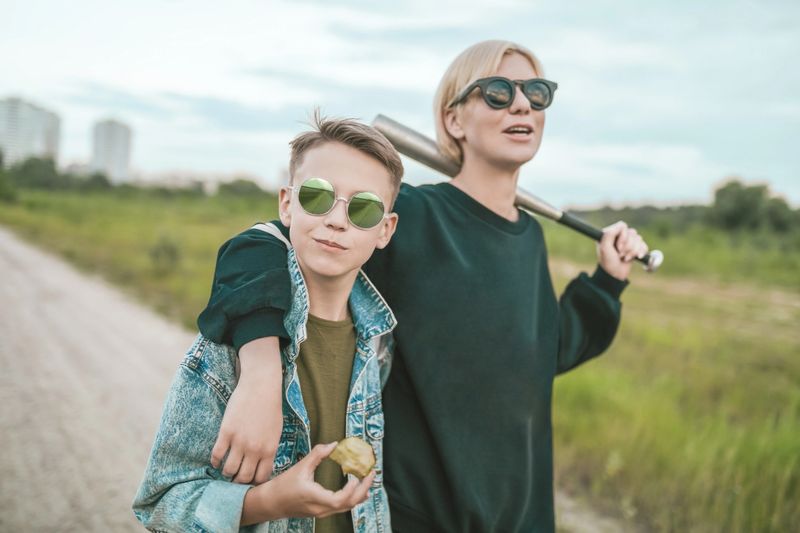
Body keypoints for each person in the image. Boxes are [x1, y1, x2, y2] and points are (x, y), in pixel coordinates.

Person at [199, 40, 649, 532]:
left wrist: (607, 281)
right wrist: (260, 373)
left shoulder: (529, 238)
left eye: (537, 93)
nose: (522, 104)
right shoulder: (409, 217)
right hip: (418, 516)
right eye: (498, 92)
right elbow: (258, 247)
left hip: (519, 517)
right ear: (454, 120)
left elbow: (543, 354)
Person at [132, 113, 403, 533]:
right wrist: (268, 502)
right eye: (318, 196)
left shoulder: (378, 344)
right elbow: (160, 506)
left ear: (385, 230)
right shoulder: (229, 349)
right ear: (286, 204)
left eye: (363, 208)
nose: (336, 220)